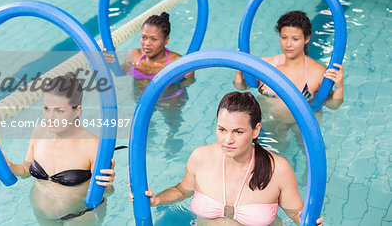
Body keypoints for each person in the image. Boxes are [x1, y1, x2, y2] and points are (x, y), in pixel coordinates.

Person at [129, 92, 324, 226]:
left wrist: (307, 221)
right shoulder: (201, 157)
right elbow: (182, 190)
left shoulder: (278, 170)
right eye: (222, 129)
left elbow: (296, 214)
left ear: (256, 130)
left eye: (238, 132)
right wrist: (157, 200)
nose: (228, 140)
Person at [0, 72, 115, 225]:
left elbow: (106, 192)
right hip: (43, 217)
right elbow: (24, 172)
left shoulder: (93, 145)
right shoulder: (39, 132)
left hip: (81, 216)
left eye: (59, 111)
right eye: (46, 108)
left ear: (76, 110)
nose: (50, 117)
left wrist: (107, 184)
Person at [104, 12, 194, 155]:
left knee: (173, 124)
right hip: (142, 99)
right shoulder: (134, 55)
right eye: (144, 37)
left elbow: (188, 82)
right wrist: (108, 61)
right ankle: (148, 146)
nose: (147, 43)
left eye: (154, 39)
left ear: (166, 40)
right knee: (145, 126)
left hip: (169, 100)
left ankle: (171, 140)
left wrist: (189, 75)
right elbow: (120, 74)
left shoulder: (176, 61)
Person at [234, 11, 344, 111]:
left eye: (295, 39)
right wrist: (239, 71)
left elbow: (331, 104)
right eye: (284, 37)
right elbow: (243, 86)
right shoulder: (267, 64)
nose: (288, 44)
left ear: (307, 38)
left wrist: (339, 87)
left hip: (302, 126)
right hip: (268, 123)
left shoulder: (318, 72)